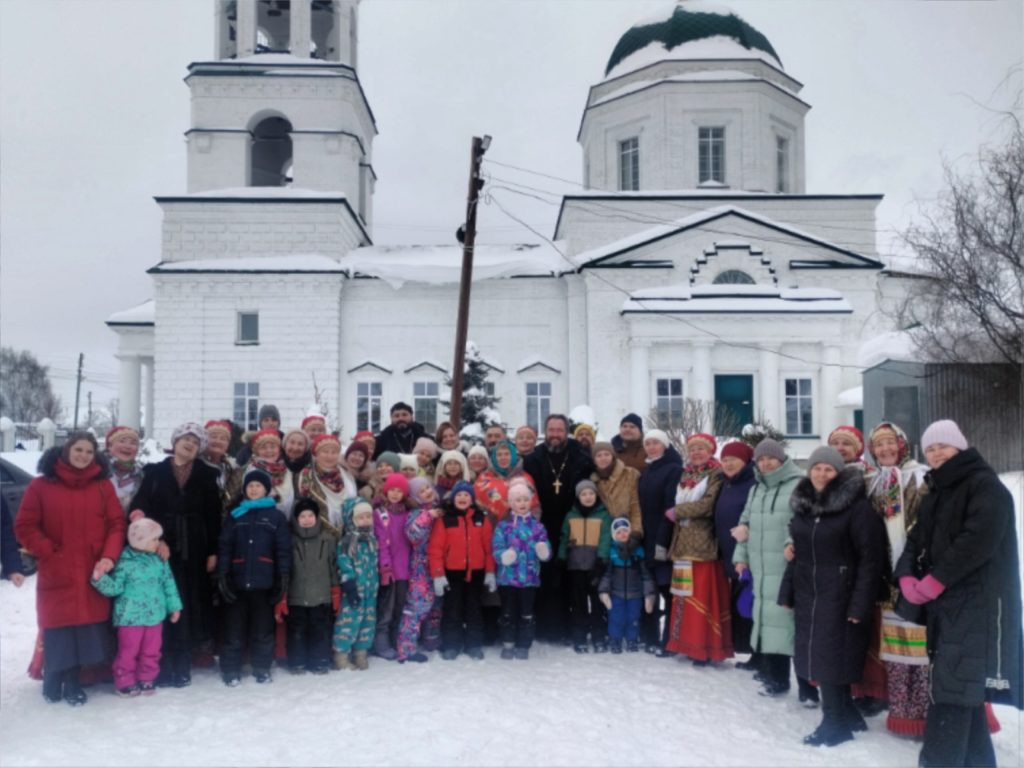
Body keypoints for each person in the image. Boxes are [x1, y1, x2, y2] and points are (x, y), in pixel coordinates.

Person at [896, 420, 1021, 768]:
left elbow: (978, 540)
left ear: (960, 447)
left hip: (977, 605)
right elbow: (916, 538)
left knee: (952, 692)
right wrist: (906, 576)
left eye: (943, 446)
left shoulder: (984, 486)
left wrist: (937, 579)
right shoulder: (938, 490)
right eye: (930, 448)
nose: (936, 453)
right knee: (961, 689)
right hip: (947, 607)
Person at [781, 447, 886, 747]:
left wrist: (860, 604)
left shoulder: (857, 509)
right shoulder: (805, 506)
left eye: (829, 469)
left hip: (841, 593)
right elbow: (799, 554)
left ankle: (834, 723)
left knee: (832, 657)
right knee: (822, 654)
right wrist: (787, 591)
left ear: (839, 473)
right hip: (809, 592)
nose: (822, 474)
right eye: (817, 468)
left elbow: (871, 560)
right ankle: (848, 714)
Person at [15, 432, 126, 705]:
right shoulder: (41, 485)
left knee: (85, 627)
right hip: (57, 566)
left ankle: (74, 680)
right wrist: (47, 550)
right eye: (78, 449)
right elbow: (25, 526)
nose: (83, 456)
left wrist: (108, 557)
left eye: (89, 451)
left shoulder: (102, 486)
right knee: (57, 625)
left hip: (92, 567)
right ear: (66, 450)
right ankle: (53, 677)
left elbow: (116, 525)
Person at [130, 422, 221, 688]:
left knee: (187, 604)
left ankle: (182, 663)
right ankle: (160, 663)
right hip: (159, 548)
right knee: (161, 604)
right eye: (185, 439)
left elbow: (214, 516)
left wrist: (213, 551)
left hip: (195, 549)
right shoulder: (155, 472)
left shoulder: (207, 475)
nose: (190, 444)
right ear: (175, 441)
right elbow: (141, 505)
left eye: (196, 441)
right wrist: (152, 536)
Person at [732, 439, 812, 701]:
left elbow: (804, 520)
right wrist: (740, 557)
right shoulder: (756, 489)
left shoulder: (799, 484)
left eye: (771, 458)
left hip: (788, 568)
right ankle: (776, 679)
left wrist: (792, 542)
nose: (766, 463)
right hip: (761, 569)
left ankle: (808, 688)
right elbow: (744, 525)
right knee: (768, 624)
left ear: (782, 459)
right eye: (761, 459)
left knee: (793, 626)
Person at [864, 422, 930, 731]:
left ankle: (927, 714)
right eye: (879, 445)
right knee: (896, 645)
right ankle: (903, 713)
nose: (885, 449)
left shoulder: (920, 477)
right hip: (886, 575)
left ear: (902, 445)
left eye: (890, 443)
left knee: (922, 644)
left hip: (916, 571)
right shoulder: (875, 482)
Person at [523, 414, 595, 642]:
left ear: (566, 432)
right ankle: (543, 627)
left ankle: (568, 628)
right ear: (545, 432)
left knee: (570, 577)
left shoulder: (580, 456)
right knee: (544, 574)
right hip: (542, 525)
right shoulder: (534, 458)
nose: (555, 434)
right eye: (551, 430)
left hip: (572, 523)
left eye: (559, 430)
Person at [91, 517, 182, 697]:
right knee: (128, 651)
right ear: (140, 541)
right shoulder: (125, 562)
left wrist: (174, 607)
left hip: (154, 616)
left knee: (152, 650)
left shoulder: (160, 560)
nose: (158, 542)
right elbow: (116, 588)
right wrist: (100, 579)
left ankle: (147, 677)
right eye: (154, 539)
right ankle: (124, 681)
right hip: (130, 617)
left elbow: (169, 584)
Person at [217, 468, 291, 686]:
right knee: (233, 630)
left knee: (263, 630)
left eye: (258, 485)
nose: (254, 489)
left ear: (266, 490)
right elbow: (225, 546)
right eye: (250, 485)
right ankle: (231, 669)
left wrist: (283, 576)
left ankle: (262, 668)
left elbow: (283, 549)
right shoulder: (235, 515)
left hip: (264, 583)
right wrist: (223, 574)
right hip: (237, 582)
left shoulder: (276, 517)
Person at [664, 433, 732, 665]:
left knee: (702, 596)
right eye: (692, 449)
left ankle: (705, 646)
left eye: (701, 449)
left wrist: (678, 511)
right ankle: (685, 643)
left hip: (703, 545)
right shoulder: (686, 474)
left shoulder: (716, 473)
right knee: (683, 595)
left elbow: (708, 504)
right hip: (682, 544)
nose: (696, 453)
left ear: (711, 451)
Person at [428, 481, 496, 660]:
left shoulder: (481, 518)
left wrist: (490, 571)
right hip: (452, 574)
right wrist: (438, 574)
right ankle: (452, 644)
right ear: (453, 499)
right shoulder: (445, 519)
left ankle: (474, 644)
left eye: (466, 495)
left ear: (472, 499)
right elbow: (435, 548)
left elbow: (489, 547)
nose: (463, 498)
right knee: (453, 609)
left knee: (474, 610)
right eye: (459, 495)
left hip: (476, 573)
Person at [277, 497, 339, 676]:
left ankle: (320, 661)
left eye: (310, 515)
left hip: (321, 596)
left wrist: (335, 592)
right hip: (296, 597)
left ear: (317, 517)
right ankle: (297, 662)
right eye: (302, 516)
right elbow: (284, 569)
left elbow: (333, 567)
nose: (306, 520)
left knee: (320, 630)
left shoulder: (327, 539)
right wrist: (282, 596)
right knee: (297, 630)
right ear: (296, 519)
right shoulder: (289, 540)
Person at [492, 479, 551, 660]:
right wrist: (503, 556)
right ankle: (508, 642)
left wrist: (544, 551)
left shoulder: (537, 526)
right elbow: (496, 548)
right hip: (508, 579)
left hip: (529, 579)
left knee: (527, 613)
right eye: (518, 500)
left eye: (525, 499)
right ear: (511, 503)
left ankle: (524, 644)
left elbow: (546, 547)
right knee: (508, 612)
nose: (522, 503)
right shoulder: (503, 526)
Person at [636, 429, 683, 653]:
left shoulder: (673, 470)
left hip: (663, 538)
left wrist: (662, 541)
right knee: (650, 589)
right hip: (647, 538)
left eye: (656, 443)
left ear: (665, 446)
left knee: (667, 590)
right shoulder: (647, 471)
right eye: (648, 443)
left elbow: (670, 507)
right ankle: (651, 636)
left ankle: (670, 640)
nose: (651, 447)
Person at [713, 441, 758, 659]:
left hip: (748, 554)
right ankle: (742, 646)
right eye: (724, 460)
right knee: (738, 601)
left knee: (748, 602)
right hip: (728, 552)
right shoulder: (725, 483)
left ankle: (754, 650)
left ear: (746, 461)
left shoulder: (753, 483)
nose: (728, 464)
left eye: (733, 459)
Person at [560, 479, 611, 653]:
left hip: (595, 566)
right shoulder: (571, 516)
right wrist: (561, 557)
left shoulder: (603, 515)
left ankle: (599, 636)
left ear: (596, 495)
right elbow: (564, 537)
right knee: (578, 604)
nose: (588, 497)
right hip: (576, 566)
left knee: (598, 603)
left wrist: (601, 560)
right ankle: (579, 636)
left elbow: (605, 538)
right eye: (583, 494)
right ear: (578, 497)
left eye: (591, 493)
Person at [395, 477, 442, 663]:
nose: (427, 492)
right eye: (421, 491)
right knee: (417, 607)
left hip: (439, 566)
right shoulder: (416, 514)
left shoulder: (440, 509)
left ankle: (431, 640)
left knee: (436, 606)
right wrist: (428, 516)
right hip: (421, 567)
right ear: (415, 497)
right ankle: (406, 648)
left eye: (427, 488)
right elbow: (413, 535)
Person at [333, 499, 379, 671]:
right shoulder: (347, 542)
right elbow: (344, 564)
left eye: (368, 516)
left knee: (368, 621)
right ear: (351, 520)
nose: (365, 520)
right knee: (349, 622)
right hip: (353, 590)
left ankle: (361, 652)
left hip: (371, 589)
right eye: (361, 517)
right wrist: (349, 584)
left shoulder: (372, 540)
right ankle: (341, 655)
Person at [372, 473, 413, 661]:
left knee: (400, 607)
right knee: (386, 608)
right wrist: (385, 566)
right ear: (386, 491)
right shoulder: (380, 514)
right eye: (392, 490)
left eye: (399, 491)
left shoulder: (408, 514)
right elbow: (381, 542)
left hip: (405, 569)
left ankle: (397, 639)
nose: (395, 494)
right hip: (389, 570)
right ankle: (381, 642)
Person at [598, 518, 655, 653]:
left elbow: (646, 576)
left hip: (635, 594)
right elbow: (607, 575)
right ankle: (615, 639)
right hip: (616, 593)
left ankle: (632, 639)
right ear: (614, 535)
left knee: (633, 617)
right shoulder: (612, 552)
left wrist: (649, 595)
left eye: (625, 531)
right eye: (618, 532)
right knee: (616, 617)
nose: (622, 534)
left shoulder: (638, 552)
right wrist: (603, 591)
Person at [297, 433, 357, 531]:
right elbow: (303, 504)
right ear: (316, 454)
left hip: (348, 529)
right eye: (325, 452)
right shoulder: (306, 475)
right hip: (317, 531)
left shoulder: (347, 474)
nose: (330, 456)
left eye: (334, 452)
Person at [474, 439, 537, 523]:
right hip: (490, 527)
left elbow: (535, 507)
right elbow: (476, 506)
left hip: (521, 528)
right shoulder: (483, 479)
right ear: (494, 457)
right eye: (499, 455)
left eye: (507, 454)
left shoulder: (525, 478)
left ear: (513, 455)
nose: (503, 457)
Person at [591, 441, 642, 533]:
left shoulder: (630, 474)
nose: (603, 458)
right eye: (599, 455)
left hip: (627, 529)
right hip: (605, 532)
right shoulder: (593, 482)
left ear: (613, 456)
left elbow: (635, 506)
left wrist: (636, 531)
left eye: (607, 454)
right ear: (594, 460)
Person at [245, 428, 296, 518]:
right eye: (263, 447)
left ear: (279, 449)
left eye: (273, 447)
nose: (269, 451)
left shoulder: (286, 470)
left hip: (286, 521)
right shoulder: (252, 471)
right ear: (257, 451)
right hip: (262, 521)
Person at [201, 420, 242, 516]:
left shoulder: (233, 469)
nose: (218, 441)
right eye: (213, 437)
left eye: (223, 439)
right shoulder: (196, 465)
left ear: (227, 444)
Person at [105, 425, 144, 513]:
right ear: (110, 446)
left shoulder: (141, 475)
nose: (128, 446)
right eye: (122, 441)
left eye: (133, 443)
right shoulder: (99, 471)